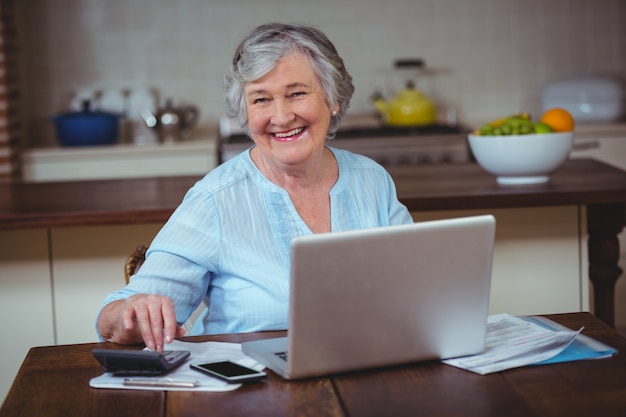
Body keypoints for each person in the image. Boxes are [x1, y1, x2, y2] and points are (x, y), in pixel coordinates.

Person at [96, 22, 413, 352]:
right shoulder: (215, 200)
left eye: (297, 93)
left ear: (333, 99)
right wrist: (134, 312)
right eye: (261, 99)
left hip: (367, 373)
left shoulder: (371, 180)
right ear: (245, 113)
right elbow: (114, 316)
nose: (281, 115)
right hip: (251, 390)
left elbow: (417, 289)